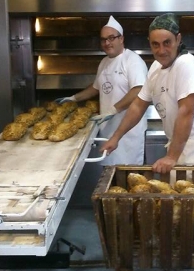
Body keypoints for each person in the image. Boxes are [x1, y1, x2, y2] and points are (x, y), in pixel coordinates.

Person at [102, 13, 194, 271]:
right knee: (184, 208)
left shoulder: (186, 65)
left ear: (178, 40)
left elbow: (187, 111)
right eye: (155, 44)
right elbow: (138, 106)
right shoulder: (155, 68)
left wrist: (172, 156)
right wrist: (115, 137)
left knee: (185, 210)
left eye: (167, 42)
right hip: (181, 144)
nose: (161, 49)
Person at [57, 15, 148, 165]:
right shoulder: (104, 62)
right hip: (107, 129)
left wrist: (113, 110)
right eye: (103, 39)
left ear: (121, 39)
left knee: (126, 174)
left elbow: (138, 89)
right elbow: (96, 87)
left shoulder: (132, 60)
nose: (107, 43)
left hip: (128, 133)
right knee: (108, 173)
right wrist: (74, 98)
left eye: (111, 38)